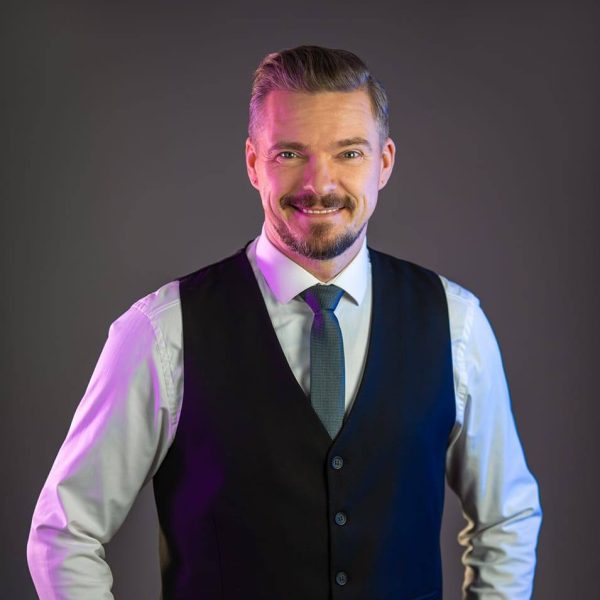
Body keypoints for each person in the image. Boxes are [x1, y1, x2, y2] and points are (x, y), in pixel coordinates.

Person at [27, 45, 542, 599]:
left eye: (349, 153)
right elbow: (65, 533)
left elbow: (507, 519)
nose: (320, 183)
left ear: (385, 162)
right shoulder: (163, 332)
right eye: (291, 153)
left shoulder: (455, 324)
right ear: (254, 163)